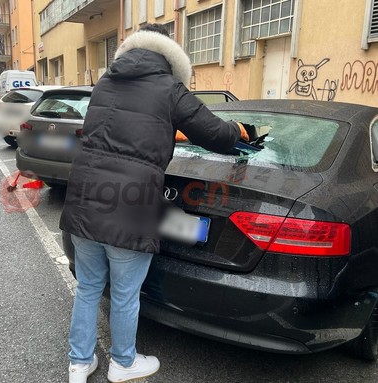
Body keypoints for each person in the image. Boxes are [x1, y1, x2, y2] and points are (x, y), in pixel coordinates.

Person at [59, 23, 253, 383]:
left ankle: (79, 363)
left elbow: (114, 131)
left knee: (88, 287)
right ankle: (123, 363)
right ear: (170, 54)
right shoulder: (169, 88)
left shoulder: (105, 82)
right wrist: (240, 131)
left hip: (85, 199)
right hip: (130, 208)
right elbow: (213, 132)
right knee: (125, 292)